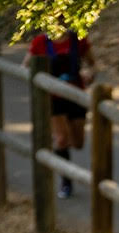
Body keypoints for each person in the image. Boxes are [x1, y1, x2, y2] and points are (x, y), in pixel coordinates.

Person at [23, 22, 95, 199]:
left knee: (78, 143)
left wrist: (89, 74)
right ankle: (66, 181)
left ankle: (62, 154)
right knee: (62, 139)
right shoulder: (40, 42)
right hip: (53, 99)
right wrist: (40, 81)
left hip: (75, 95)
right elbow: (25, 67)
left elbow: (92, 64)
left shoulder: (78, 39)